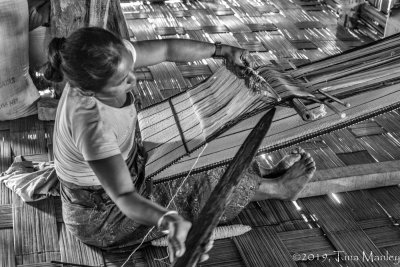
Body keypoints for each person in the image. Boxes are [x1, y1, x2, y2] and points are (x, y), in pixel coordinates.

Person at [45, 27, 316, 263]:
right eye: (122, 81)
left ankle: (258, 179)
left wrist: (223, 50)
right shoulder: (91, 125)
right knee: (209, 178)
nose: (133, 79)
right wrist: (169, 220)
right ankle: (277, 188)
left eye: (130, 68)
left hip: (129, 163)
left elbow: (166, 48)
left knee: (216, 148)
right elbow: (125, 197)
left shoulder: (106, 58)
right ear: (89, 91)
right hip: (103, 214)